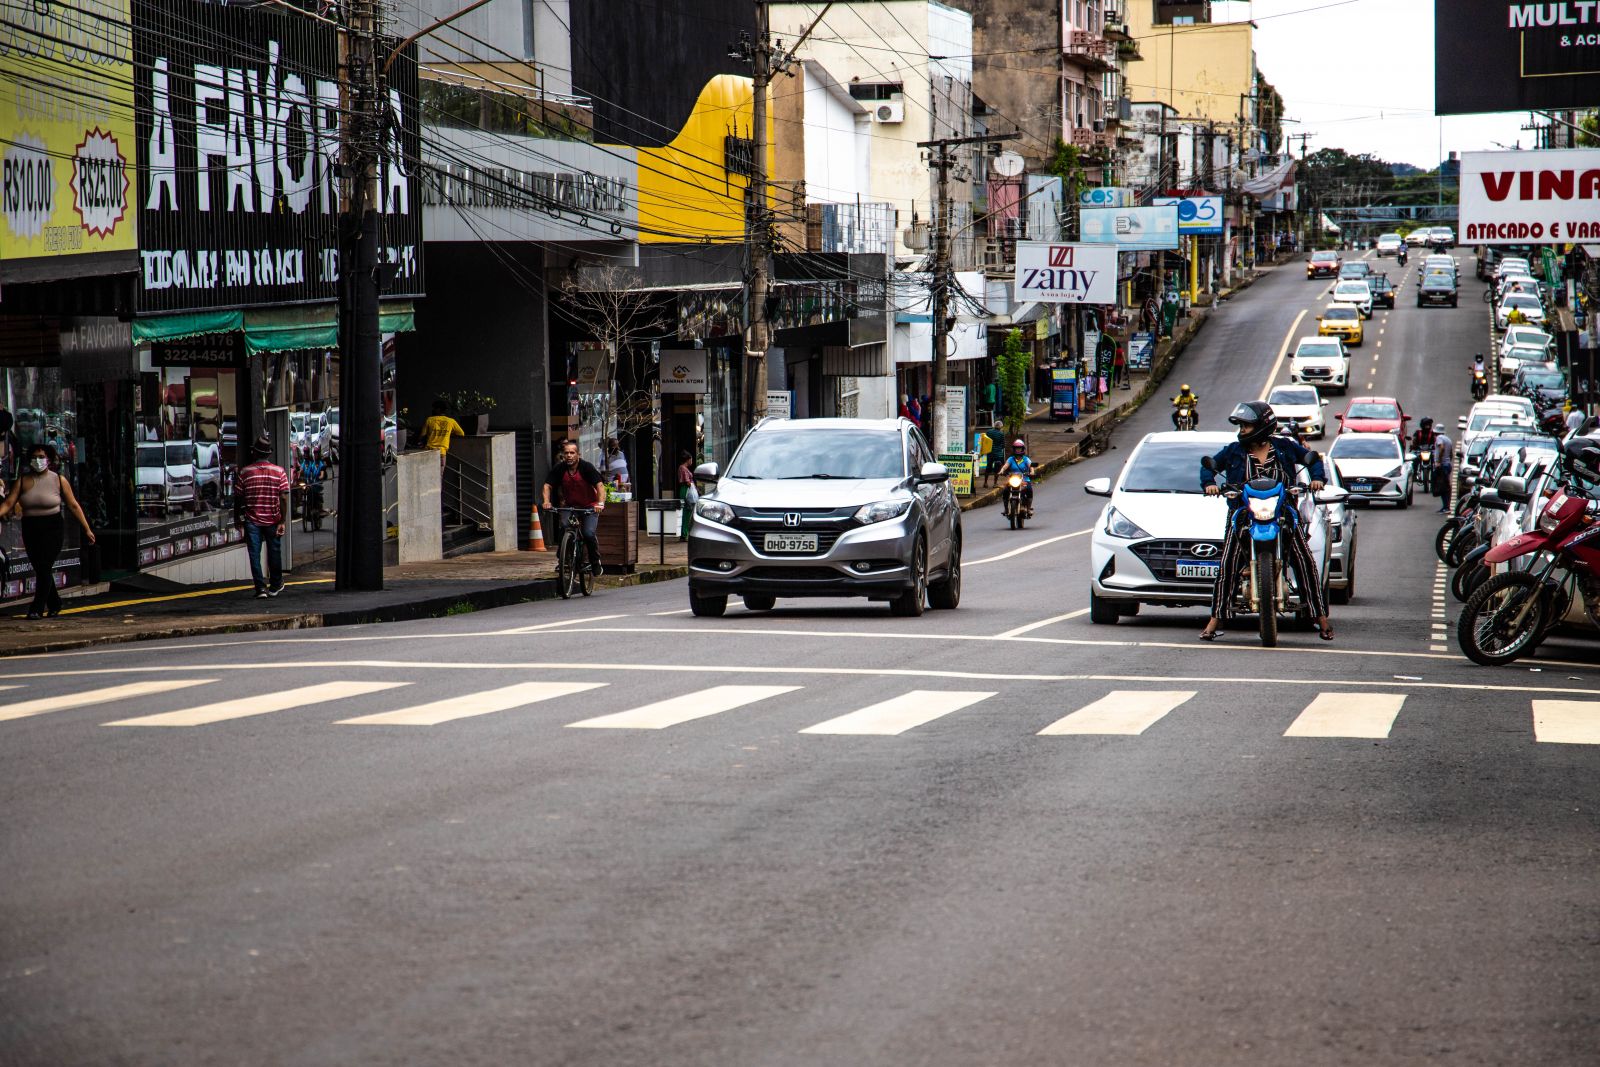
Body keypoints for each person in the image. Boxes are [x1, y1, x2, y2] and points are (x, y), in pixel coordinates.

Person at [1198, 401, 1332, 643]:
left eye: (1246, 426)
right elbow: (1209, 465)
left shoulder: (1285, 447)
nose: (1242, 431)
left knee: (1304, 560)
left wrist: (1317, 479)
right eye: (1241, 426)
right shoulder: (1233, 451)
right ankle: (1214, 621)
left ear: (1261, 426)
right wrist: (1209, 484)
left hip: (1283, 513)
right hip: (1243, 514)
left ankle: (1321, 618)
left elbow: (1312, 460)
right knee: (1227, 564)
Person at [0, 444, 95, 619]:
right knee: (40, 567)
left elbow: (74, 505)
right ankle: (55, 603)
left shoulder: (59, 480)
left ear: (48, 459)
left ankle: (36, 608)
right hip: (31, 528)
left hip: (53, 528)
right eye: (35, 457)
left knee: (44, 566)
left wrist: (87, 528)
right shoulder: (23, 481)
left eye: (42, 457)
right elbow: (8, 503)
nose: (38, 460)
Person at [235, 435, 290, 598]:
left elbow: (238, 497)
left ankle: (260, 588)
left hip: (252, 520)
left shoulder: (245, 473)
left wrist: (237, 517)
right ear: (268, 454)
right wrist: (282, 520)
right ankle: (275, 586)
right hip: (273, 519)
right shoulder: (279, 472)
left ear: (254, 453)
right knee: (274, 552)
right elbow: (284, 497)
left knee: (254, 553)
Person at [542, 440, 606, 575]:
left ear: (578, 454)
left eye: (572, 453)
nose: (569, 456)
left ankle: (595, 562)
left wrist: (600, 504)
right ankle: (564, 559)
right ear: (563, 455)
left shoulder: (586, 467)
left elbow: (599, 486)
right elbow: (547, 486)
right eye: (566, 453)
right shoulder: (560, 468)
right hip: (570, 506)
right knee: (565, 526)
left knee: (588, 533)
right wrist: (546, 501)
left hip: (589, 507)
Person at [998, 439, 1037, 517]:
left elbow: (1031, 466)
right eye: (1016, 448)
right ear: (1014, 449)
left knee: (1029, 490)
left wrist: (1032, 472)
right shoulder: (1011, 459)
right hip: (1013, 480)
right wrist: (1001, 471)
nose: (1018, 450)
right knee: (1005, 491)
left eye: (1019, 448)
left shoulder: (1026, 459)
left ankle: (1028, 509)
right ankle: (1006, 509)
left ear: (1022, 449)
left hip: (1024, 480)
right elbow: (1005, 466)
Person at [421, 400, 464, 467]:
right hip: (442, 452)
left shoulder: (429, 419)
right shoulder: (451, 421)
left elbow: (422, 435)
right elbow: (461, 433)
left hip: (429, 451)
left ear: (438, 409)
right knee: (440, 475)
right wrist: (448, 433)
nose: (432, 410)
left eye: (434, 408)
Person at [675, 449, 697, 536]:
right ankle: (684, 533)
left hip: (686, 490)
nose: (692, 461)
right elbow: (687, 482)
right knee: (686, 511)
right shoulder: (683, 468)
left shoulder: (683, 468)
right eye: (691, 459)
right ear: (688, 459)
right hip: (686, 490)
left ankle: (685, 533)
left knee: (687, 511)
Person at [1432, 430, 1454, 511]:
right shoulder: (1448, 439)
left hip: (1443, 465)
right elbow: (1451, 453)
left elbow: (1441, 447)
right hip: (1447, 464)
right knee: (1446, 486)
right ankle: (1446, 506)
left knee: (1442, 487)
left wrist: (1439, 461)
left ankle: (1446, 507)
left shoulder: (1439, 438)